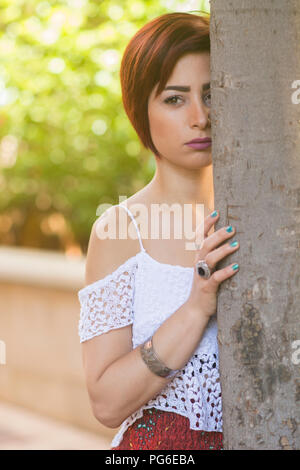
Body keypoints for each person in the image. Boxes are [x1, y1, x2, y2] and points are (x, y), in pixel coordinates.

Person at [77, 11, 240, 450]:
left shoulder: (273, 216)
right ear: (140, 110)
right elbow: (106, 404)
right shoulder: (118, 229)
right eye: (174, 98)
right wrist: (194, 309)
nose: (200, 116)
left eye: (211, 94)